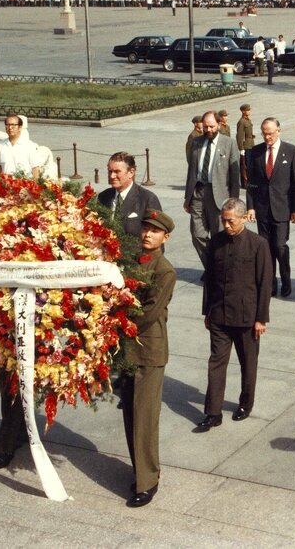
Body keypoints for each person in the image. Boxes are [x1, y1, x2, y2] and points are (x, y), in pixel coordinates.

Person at [196, 198, 271, 430]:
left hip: (247, 317)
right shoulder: (216, 242)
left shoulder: (258, 244)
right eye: (223, 221)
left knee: (248, 362)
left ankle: (245, 404)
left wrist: (261, 318)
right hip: (219, 314)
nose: (226, 226)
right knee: (216, 362)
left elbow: (265, 283)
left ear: (243, 218)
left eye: (231, 221)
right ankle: (213, 412)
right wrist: (207, 311)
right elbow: (209, 279)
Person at [121, 209, 176, 508]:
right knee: (130, 414)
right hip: (128, 349)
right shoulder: (132, 261)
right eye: (145, 228)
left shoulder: (164, 270)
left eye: (154, 231)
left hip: (149, 350)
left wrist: (118, 319)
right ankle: (139, 471)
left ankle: (148, 481)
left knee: (145, 417)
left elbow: (149, 312)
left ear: (165, 237)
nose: (147, 234)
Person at [245, 117, 295, 298]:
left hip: (282, 208)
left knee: (279, 246)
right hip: (262, 209)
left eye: (270, 133)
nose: (267, 137)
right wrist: (251, 207)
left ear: (279, 131)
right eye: (264, 133)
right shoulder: (255, 152)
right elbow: (251, 183)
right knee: (266, 248)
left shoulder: (291, 151)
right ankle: (270, 283)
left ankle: (286, 280)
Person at [183, 111, 240, 271]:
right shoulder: (196, 142)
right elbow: (191, 171)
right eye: (205, 126)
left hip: (220, 196)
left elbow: (235, 176)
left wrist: (234, 202)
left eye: (211, 126)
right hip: (198, 193)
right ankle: (212, 267)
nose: (208, 130)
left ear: (219, 125)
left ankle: (219, 269)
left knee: (219, 236)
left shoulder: (229, 143)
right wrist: (187, 198)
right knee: (197, 235)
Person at [98, 151, 161, 238]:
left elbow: (156, 238)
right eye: (110, 171)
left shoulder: (147, 199)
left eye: (117, 171)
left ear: (131, 172)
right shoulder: (103, 197)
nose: (112, 176)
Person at [0, 114, 42, 179]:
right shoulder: (1, 146)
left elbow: (35, 168)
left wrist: (36, 186)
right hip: (5, 185)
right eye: (8, 125)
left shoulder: (29, 145)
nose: (10, 127)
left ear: (20, 127)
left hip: (24, 186)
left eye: (13, 125)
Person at [235, 104, 254, 188]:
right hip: (245, 146)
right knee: (244, 165)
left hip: (250, 144)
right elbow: (239, 136)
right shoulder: (241, 122)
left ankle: (249, 181)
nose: (249, 111)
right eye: (247, 110)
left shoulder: (248, 120)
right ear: (243, 111)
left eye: (249, 110)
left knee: (249, 164)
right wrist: (241, 148)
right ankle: (244, 183)